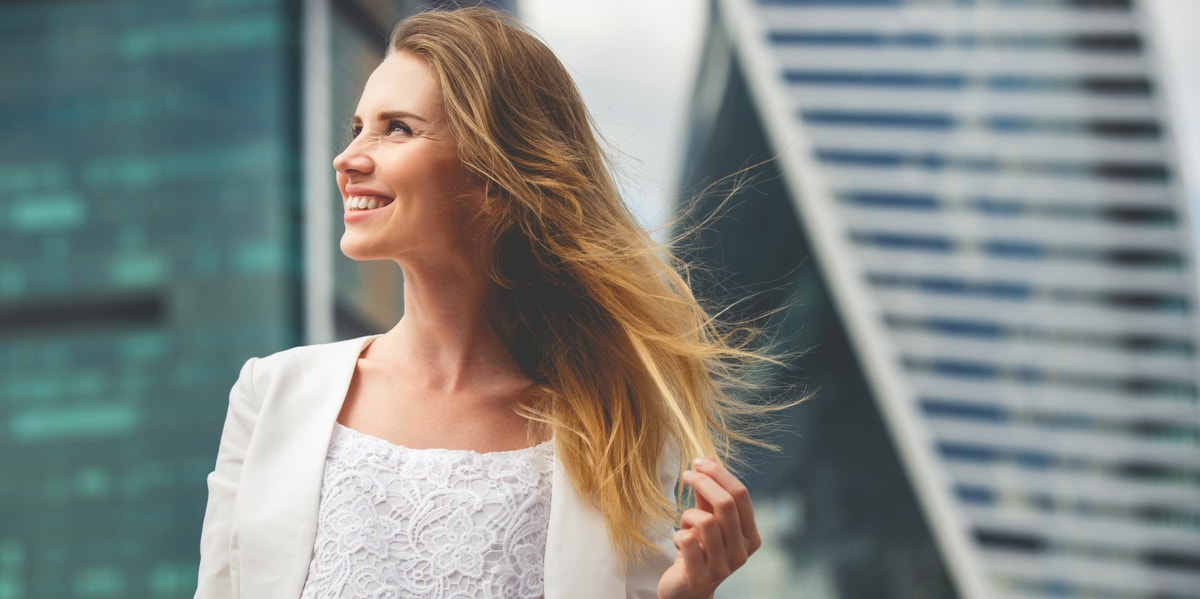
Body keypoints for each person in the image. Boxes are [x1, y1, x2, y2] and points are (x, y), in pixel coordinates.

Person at [195, 6, 776, 599]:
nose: (348, 159)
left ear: (494, 179)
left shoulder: (615, 432)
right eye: (357, 127)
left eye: (397, 128)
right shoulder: (270, 399)